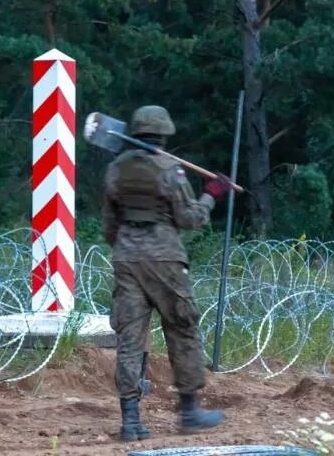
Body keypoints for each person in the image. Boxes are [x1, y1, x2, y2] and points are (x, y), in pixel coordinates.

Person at [101, 105, 232, 440]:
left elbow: (109, 223)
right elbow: (190, 219)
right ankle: (190, 412)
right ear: (163, 133)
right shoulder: (169, 169)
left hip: (126, 258)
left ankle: (130, 421)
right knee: (182, 329)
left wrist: (126, 248)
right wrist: (211, 195)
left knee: (129, 340)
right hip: (165, 260)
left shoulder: (116, 169)